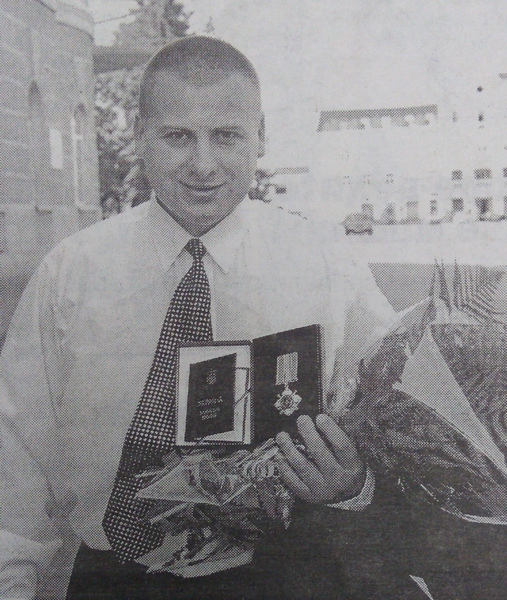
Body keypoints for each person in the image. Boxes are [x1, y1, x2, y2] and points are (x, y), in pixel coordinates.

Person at [0, 37, 397, 600]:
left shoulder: (328, 265)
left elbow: (398, 427)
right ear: (140, 137)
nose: (203, 165)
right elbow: (14, 453)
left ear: (261, 137)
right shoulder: (70, 275)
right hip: (115, 578)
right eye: (178, 136)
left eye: (227, 136)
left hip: (285, 573)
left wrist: (355, 483)